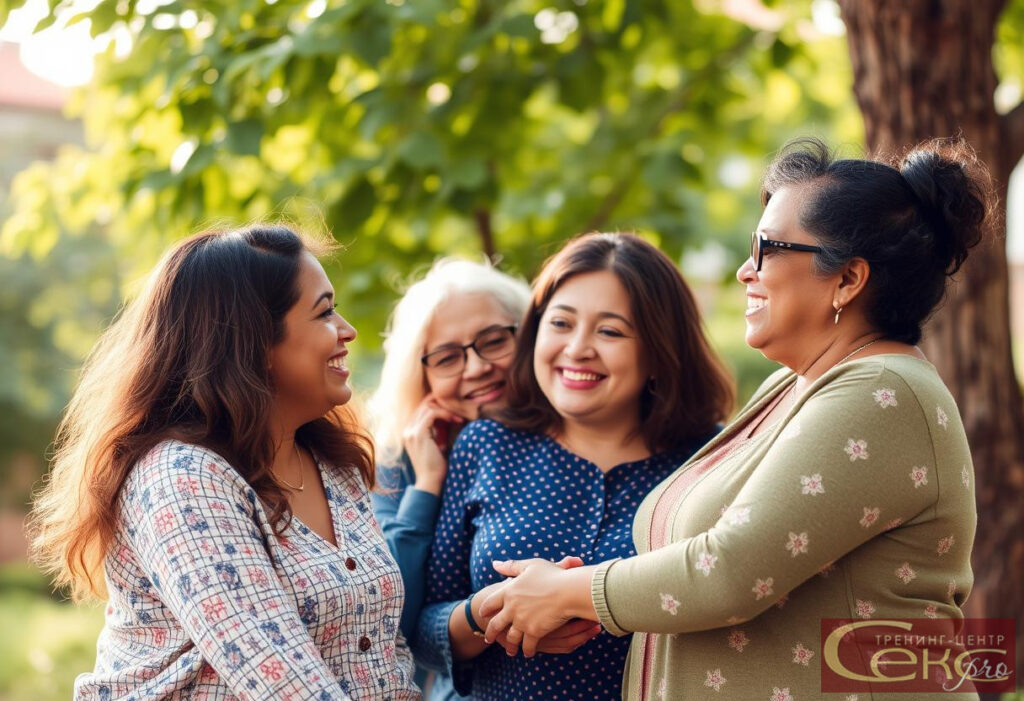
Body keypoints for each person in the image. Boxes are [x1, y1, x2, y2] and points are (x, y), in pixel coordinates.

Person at [478, 138, 988, 699]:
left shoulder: (880, 393)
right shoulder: (800, 385)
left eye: (767, 248)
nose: (747, 270)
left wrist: (569, 592)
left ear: (847, 279)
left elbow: (732, 572)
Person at [29, 226, 420, 699]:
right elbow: (282, 682)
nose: (347, 330)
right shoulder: (181, 480)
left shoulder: (334, 463)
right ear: (255, 342)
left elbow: (383, 652)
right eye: (324, 312)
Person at [414, 233, 735, 700]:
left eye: (610, 331)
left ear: (659, 351)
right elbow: (423, 628)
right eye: (561, 323)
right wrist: (487, 614)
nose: (577, 348)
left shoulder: (710, 461)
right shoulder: (486, 446)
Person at [368, 258, 531, 699]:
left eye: (494, 341)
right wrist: (427, 484)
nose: (476, 368)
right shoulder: (395, 463)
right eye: (447, 358)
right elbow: (390, 618)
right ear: (419, 377)